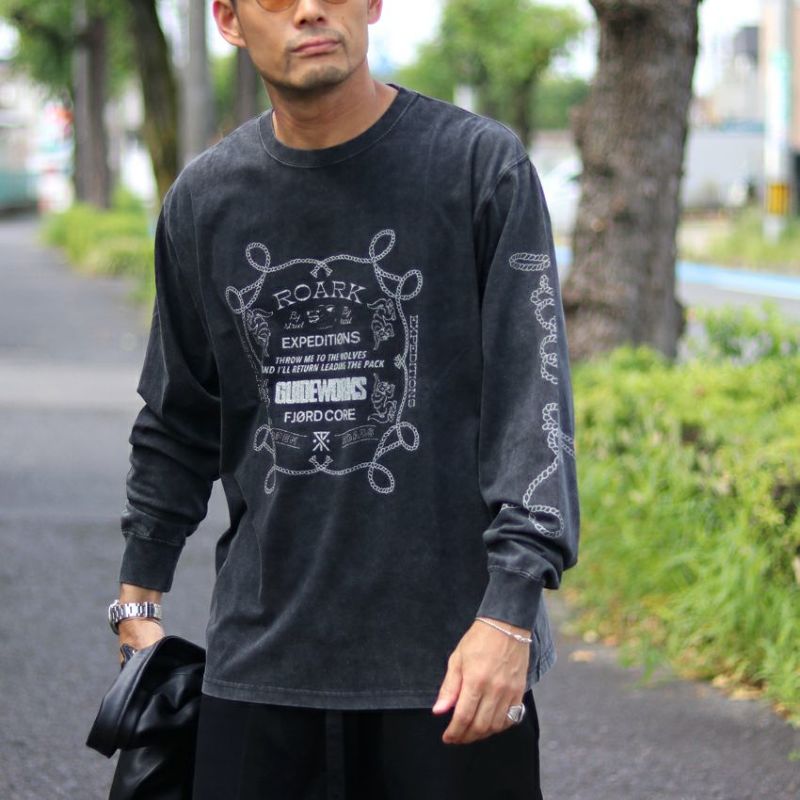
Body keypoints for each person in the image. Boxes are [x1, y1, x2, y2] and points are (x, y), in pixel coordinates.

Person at [109, 0, 580, 797]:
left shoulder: (476, 167)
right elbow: (179, 414)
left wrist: (510, 612)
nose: (308, 10)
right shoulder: (205, 200)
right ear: (228, 20)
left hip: (454, 666)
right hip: (260, 666)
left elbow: (532, 406)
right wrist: (136, 597)